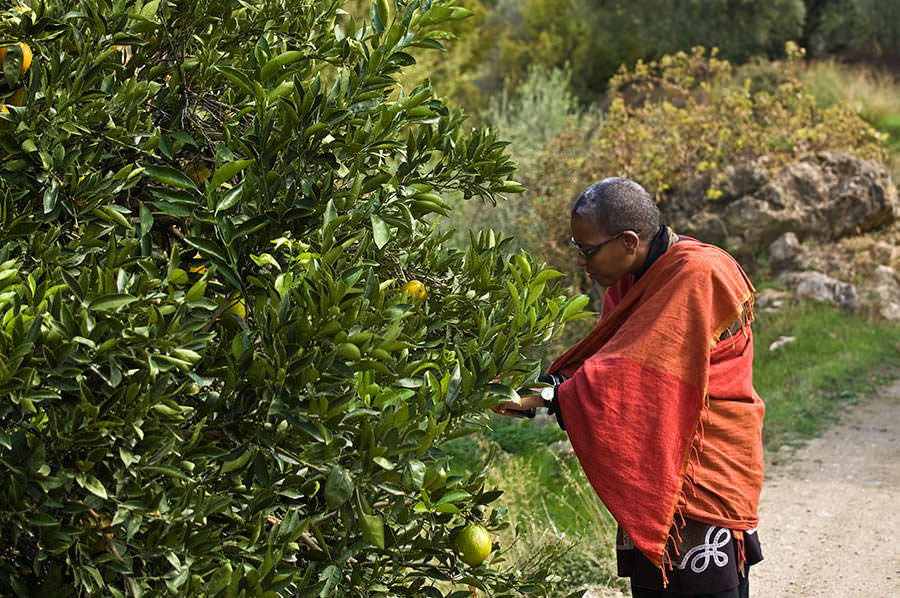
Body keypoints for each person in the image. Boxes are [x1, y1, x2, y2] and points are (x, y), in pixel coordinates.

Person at [496, 177, 765, 598]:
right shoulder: (632, 282)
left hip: (700, 463)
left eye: (587, 250)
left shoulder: (699, 272)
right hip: (661, 463)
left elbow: (638, 378)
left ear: (627, 241)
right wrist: (544, 388)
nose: (583, 263)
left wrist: (548, 396)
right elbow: (610, 360)